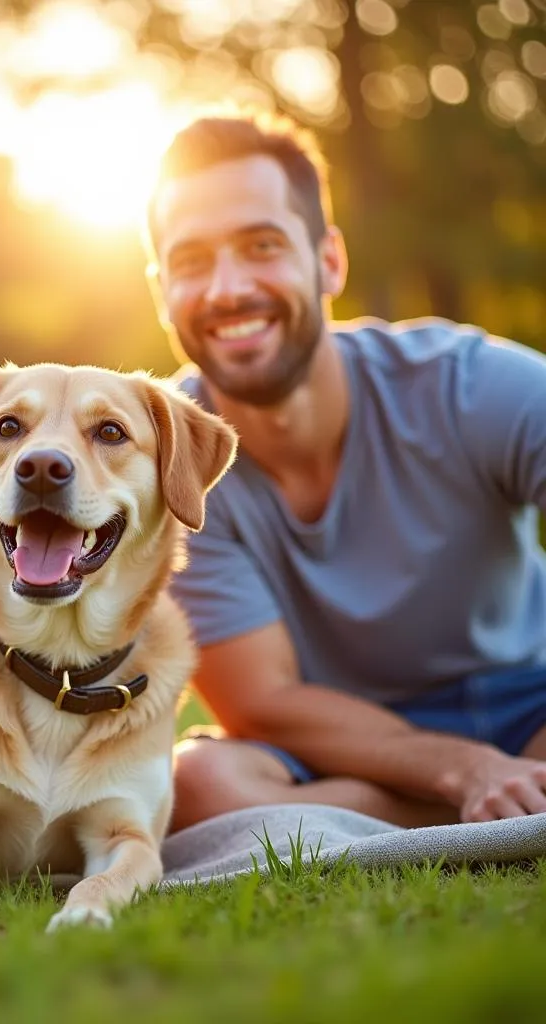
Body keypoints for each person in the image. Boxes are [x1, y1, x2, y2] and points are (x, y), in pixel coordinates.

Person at [144, 111, 546, 832]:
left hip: (527, 697)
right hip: (340, 745)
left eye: (261, 246)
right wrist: (465, 770)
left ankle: (466, 804)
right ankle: (501, 804)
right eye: (192, 261)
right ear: (160, 291)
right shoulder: (162, 458)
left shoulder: (470, 385)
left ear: (329, 260)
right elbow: (261, 701)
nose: (228, 288)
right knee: (201, 782)